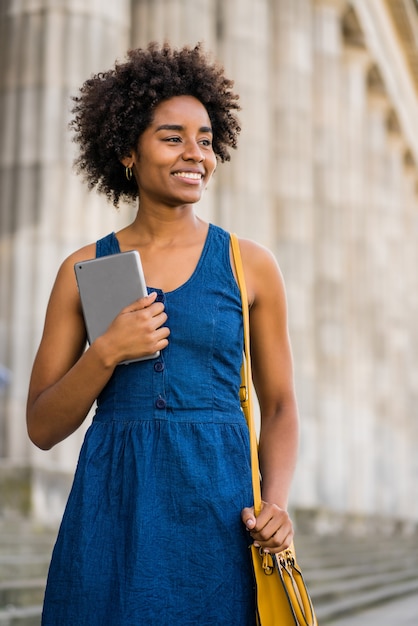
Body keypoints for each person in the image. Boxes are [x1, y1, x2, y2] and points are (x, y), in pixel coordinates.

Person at [26, 42, 299, 625]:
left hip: (223, 517)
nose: (194, 153)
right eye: (171, 137)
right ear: (127, 149)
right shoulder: (85, 270)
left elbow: (278, 406)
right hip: (113, 512)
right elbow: (42, 426)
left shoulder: (249, 264)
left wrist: (275, 503)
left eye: (205, 139)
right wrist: (105, 354)